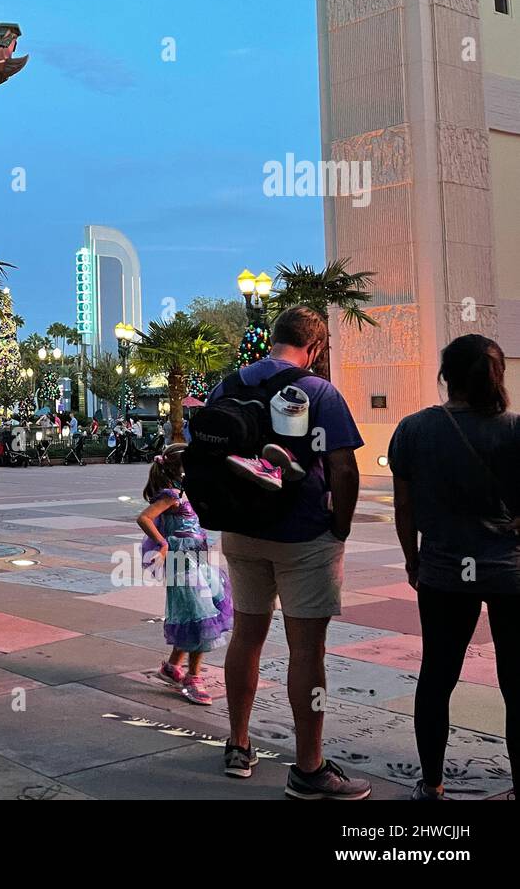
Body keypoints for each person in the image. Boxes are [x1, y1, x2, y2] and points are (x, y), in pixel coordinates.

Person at [212, 305, 370, 799]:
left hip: (240, 530)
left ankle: (238, 744)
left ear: (273, 337)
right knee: (307, 651)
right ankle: (309, 767)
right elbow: (343, 468)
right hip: (303, 535)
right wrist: (339, 527)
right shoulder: (319, 391)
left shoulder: (228, 385)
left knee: (246, 635)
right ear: (316, 347)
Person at [389, 335, 519, 801]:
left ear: (445, 376)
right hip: (510, 572)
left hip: (443, 571)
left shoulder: (414, 430)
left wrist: (412, 559)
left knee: (438, 675)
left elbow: (404, 506)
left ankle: (432, 783)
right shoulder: (515, 429)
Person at [136, 447, 233, 706]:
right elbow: (144, 518)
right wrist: (162, 543)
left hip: (198, 561)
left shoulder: (187, 491)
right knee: (200, 617)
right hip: (182, 564)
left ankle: (172, 666)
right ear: (180, 468)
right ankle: (193, 676)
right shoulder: (172, 495)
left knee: (201, 610)